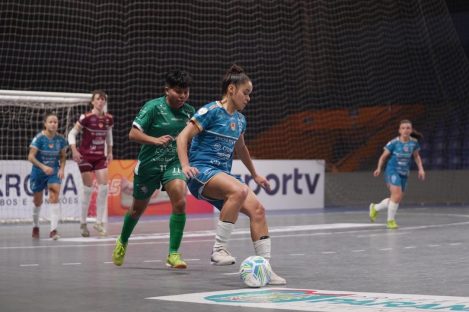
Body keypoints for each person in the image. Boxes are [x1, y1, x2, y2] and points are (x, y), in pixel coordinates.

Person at [176, 64, 286, 285]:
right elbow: (182, 137)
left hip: (221, 176)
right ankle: (219, 249)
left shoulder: (240, 120)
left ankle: (265, 268)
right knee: (239, 189)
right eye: (246, 93)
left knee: (258, 211)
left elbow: (241, 149)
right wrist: (185, 166)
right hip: (201, 172)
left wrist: (255, 174)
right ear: (231, 90)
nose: (248, 98)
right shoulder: (210, 112)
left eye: (250, 94)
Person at [112, 70, 195, 269]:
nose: (183, 96)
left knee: (180, 199)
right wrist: (154, 140)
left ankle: (173, 254)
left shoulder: (189, 112)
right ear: (167, 90)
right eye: (178, 91)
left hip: (173, 164)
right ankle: (122, 240)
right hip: (149, 166)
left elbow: (197, 136)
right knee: (136, 209)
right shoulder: (152, 107)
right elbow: (133, 134)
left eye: (186, 92)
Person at [68, 90, 113, 237]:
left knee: (104, 187)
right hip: (85, 157)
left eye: (102, 99)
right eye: (98, 99)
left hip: (100, 157)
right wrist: (74, 151)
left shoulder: (108, 119)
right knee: (88, 190)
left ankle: (99, 222)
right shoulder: (86, 117)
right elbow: (71, 134)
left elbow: (109, 137)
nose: (100, 102)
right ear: (92, 102)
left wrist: (110, 152)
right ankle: (83, 223)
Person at [369, 119, 425, 229]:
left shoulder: (414, 142)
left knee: (396, 198)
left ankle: (375, 208)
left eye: (408, 128)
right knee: (397, 195)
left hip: (404, 172)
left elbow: (416, 156)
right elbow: (383, 157)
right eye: (403, 128)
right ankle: (390, 221)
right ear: (399, 130)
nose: (405, 130)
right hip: (392, 170)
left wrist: (421, 169)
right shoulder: (394, 143)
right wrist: (379, 168)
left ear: (411, 130)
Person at [28, 112, 68, 240]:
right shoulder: (39, 138)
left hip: (53, 172)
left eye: (55, 122)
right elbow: (30, 157)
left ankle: (53, 230)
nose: (53, 124)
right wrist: (43, 167)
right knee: (37, 201)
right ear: (45, 124)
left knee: (54, 197)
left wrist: (61, 168)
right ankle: (35, 226)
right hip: (39, 172)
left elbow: (63, 156)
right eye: (50, 122)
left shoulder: (61, 140)